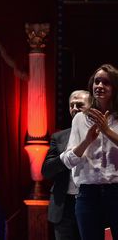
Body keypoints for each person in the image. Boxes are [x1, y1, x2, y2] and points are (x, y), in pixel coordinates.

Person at [61, 64, 118, 240]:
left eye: (106, 82)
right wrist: (86, 141)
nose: (99, 86)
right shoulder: (79, 118)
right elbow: (68, 160)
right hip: (87, 194)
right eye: (97, 81)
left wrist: (106, 130)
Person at [42, 90, 90, 240]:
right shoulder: (59, 137)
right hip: (63, 205)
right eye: (72, 105)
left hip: (90, 202)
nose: (75, 108)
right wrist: (66, 157)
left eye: (80, 105)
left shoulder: (101, 133)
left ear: (92, 106)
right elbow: (46, 171)